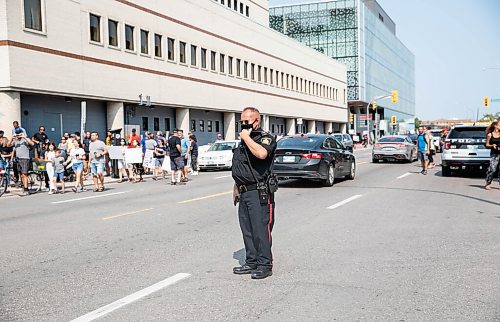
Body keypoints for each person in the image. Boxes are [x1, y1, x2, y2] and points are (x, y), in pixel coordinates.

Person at [231, 107, 277, 280]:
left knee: (260, 229)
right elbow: (243, 167)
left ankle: (265, 265)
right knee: (247, 229)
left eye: (247, 121)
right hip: (244, 191)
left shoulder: (265, 138)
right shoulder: (244, 141)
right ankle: (251, 262)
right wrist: (236, 186)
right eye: (241, 121)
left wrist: (246, 137)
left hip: (259, 192)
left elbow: (262, 153)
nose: (243, 125)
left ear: (257, 121)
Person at [11, 129, 35, 196]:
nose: (18, 135)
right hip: (18, 159)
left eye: (19, 133)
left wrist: (24, 137)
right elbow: (8, 145)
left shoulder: (25, 140)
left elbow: (32, 143)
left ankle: (26, 190)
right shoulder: (15, 141)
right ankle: (24, 187)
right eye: (17, 134)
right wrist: (12, 138)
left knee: (24, 174)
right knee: (21, 175)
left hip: (25, 158)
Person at [485, 121, 500, 190]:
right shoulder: (490, 135)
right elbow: (487, 145)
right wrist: (492, 145)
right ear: (495, 126)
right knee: (492, 169)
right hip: (495, 153)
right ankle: (488, 183)